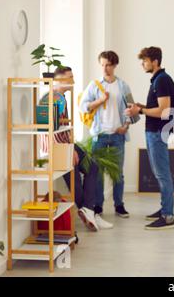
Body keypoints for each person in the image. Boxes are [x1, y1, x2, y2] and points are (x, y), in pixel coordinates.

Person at [40, 67, 113, 231]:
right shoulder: (53, 98)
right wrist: (68, 149)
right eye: (69, 77)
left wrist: (71, 146)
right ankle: (90, 213)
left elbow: (64, 127)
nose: (73, 80)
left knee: (92, 166)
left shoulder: (61, 97)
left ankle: (89, 211)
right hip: (57, 148)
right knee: (75, 183)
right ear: (59, 79)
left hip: (65, 144)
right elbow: (50, 130)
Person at [79, 51, 137, 219]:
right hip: (99, 135)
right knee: (97, 174)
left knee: (118, 173)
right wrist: (100, 101)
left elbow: (132, 111)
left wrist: (125, 126)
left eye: (108, 65)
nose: (105, 68)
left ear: (115, 65)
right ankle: (98, 206)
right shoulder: (94, 85)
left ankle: (119, 205)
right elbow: (83, 107)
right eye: (103, 65)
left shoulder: (123, 86)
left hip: (118, 136)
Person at [125, 47, 174, 230]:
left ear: (154, 61)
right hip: (154, 132)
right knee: (160, 173)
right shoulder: (157, 79)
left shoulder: (161, 80)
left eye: (145, 61)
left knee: (162, 174)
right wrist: (142, 106)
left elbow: (164, 110)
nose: (142, 64)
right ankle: (165, 209)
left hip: (157, 133)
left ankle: (168, 216)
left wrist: (140, 110)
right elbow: (157, 107)